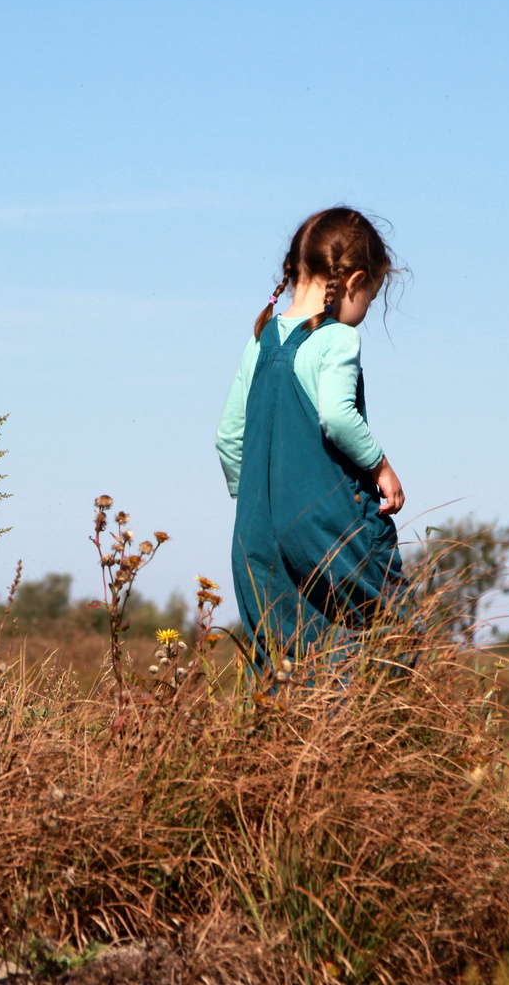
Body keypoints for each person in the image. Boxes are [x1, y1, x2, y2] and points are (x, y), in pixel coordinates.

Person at [216, 206, 408, 673]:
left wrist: (260, 504)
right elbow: (337, 418)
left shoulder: (260, 338)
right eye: (371, 296)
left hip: (255, 535)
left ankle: (279, 742)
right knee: (393, 630)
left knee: (281, 658)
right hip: (325, 525)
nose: (364, 312)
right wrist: (382, 468)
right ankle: (378, 732)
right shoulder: (338, 338)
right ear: (354, 281)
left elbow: (227, 438)